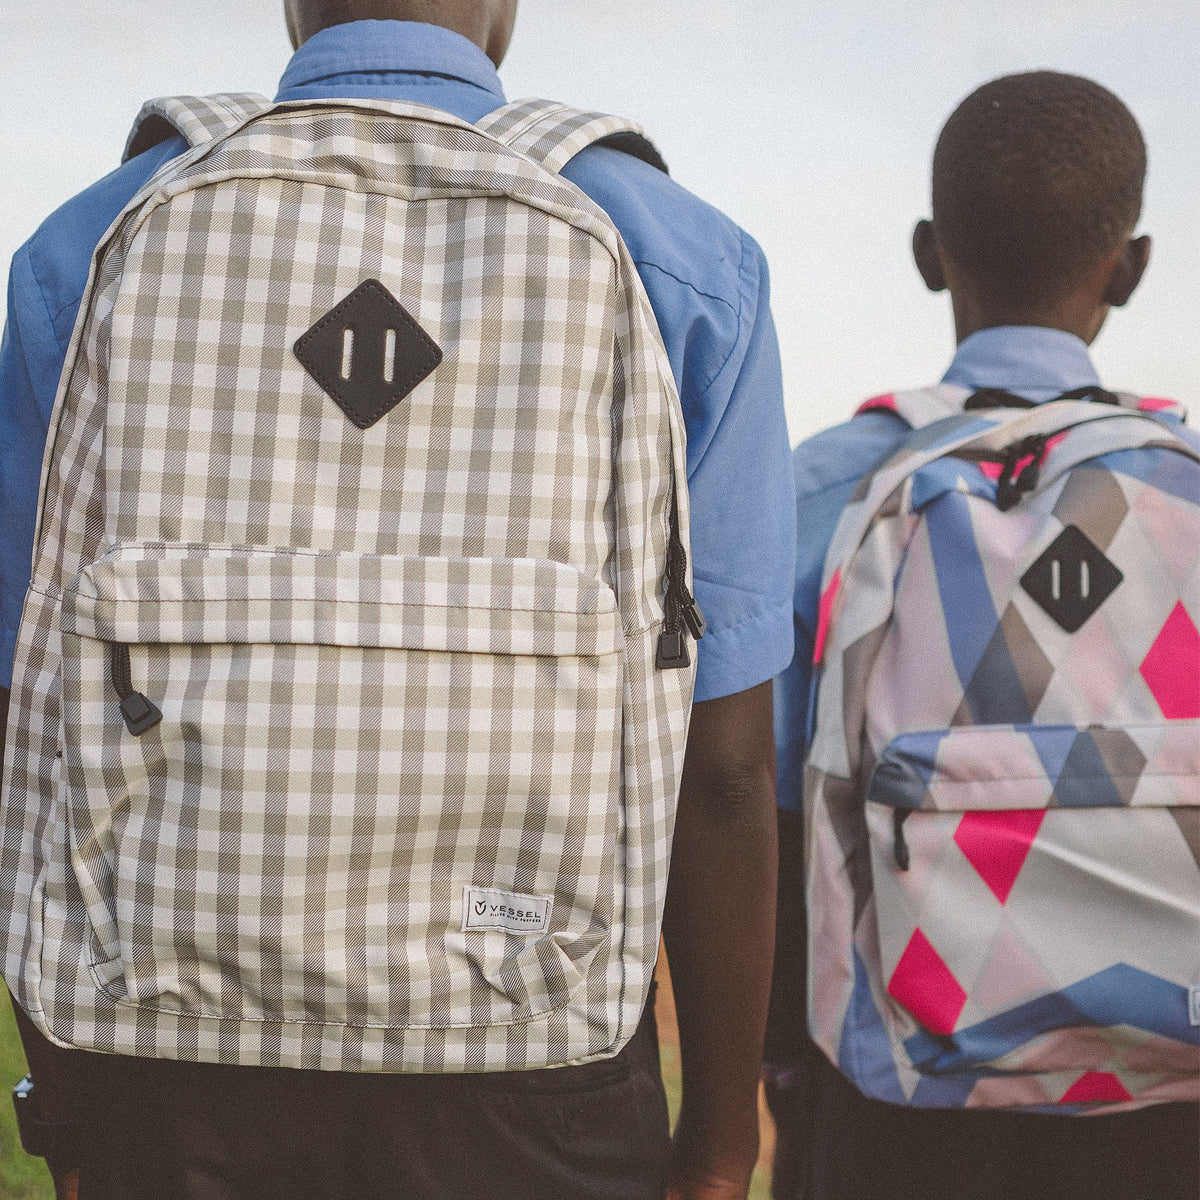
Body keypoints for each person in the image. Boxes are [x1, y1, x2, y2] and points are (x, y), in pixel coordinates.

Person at [0, 4, 795, 1199]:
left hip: (166, 1046)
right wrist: (723, 1139)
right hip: (539, 1053)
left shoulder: (87, 246)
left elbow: (25, 711)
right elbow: (726, 769)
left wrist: (62, 1092)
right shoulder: (683, 257)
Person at [767, 70, 1200, 1200]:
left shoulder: (816, 492)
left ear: (927, 252)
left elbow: (753, 802)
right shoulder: (1186, 495)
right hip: (1173, 1109)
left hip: (893, 1107)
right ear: (1133, 266)